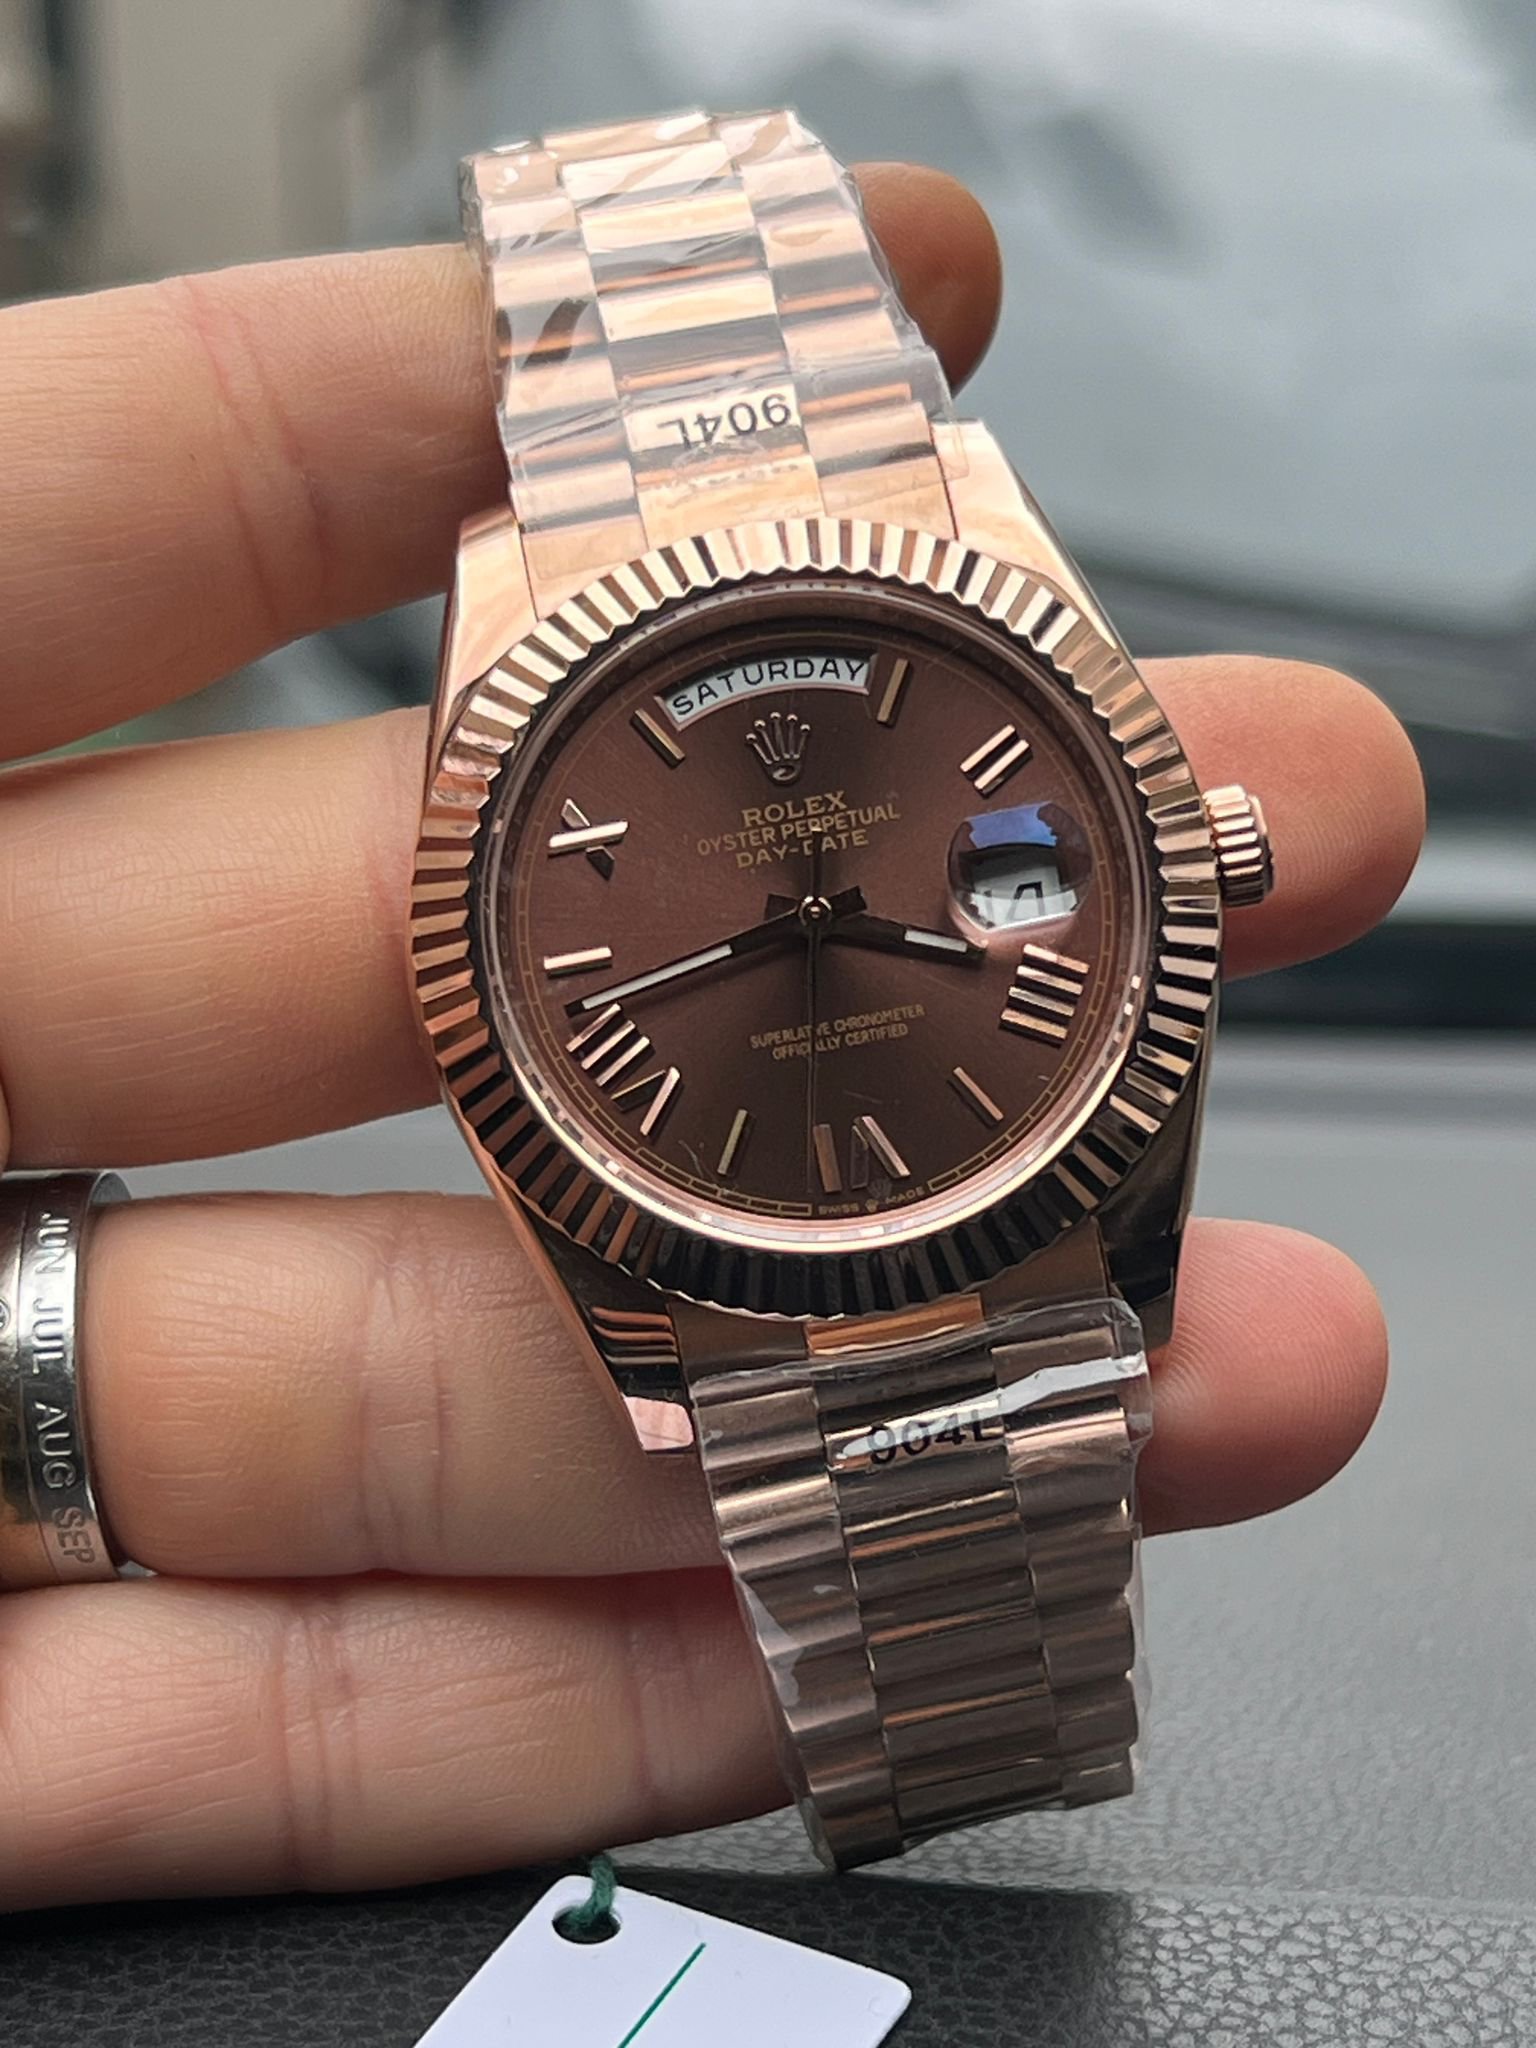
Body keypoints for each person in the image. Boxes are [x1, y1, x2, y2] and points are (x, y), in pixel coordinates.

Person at [0, 163, 1424, 1909]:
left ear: (1196, 861)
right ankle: (957, 1742)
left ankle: (978, 1734)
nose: (812, 922)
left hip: (973, 1191)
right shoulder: (619, 669)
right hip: (782, 1224)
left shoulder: (952, 549)